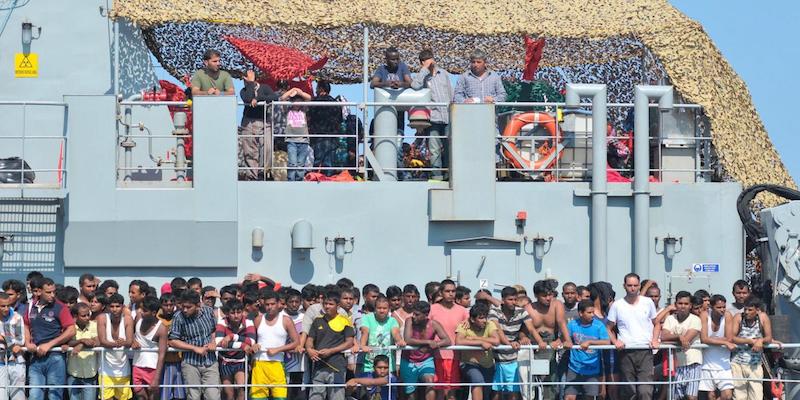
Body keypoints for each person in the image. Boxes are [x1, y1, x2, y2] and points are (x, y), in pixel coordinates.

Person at [606, 273, 658, 400]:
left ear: (640, 286)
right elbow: (608, 327)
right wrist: (615, 341)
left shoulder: (648, 302)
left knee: (645, 390)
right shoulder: (617, 305)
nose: (633, 288)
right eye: (629, 285)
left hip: (645, 350)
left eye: (635, 285)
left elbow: (656, 324)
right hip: (625, 352)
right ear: (624, 286)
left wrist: (655, 339)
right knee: (629, 391)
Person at [480, 287, 537, 400]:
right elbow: (497, 329)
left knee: (513, 391)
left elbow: (531, 328)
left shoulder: (521, 312)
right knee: (495, 391)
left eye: (515, 299)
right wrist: (508, 343)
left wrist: (540, 342)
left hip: (514, 359)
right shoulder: (494, 311)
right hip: (496, 359)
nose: (513, 302)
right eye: (510, 299)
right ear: (503, 299)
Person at [25, 277, 76, 400]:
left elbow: (71, 330)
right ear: (39, 291)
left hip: (55, 356)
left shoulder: (61, 307)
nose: (52, 295)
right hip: (35, 358)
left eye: (54, 292)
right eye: (48, 292)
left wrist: (50, 344)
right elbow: (26, 324)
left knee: (55, 395)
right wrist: (27, 343)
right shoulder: (31, 305)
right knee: (34, 395)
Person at [239, 70, 295, 181]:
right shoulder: (244, 90)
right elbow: (248, 99)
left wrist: (258, 98)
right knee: (250, 150)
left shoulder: (265, 88)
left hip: (264, 121)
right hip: (248, 122)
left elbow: (273, 97)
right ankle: (252, 176)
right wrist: (250, 84)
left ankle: (263, 172)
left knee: (267, 148)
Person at [168, 291, 220, 400]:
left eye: (189, 307)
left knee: (213, 396)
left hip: (210, 361)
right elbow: (173, 340)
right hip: (190, 363)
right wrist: (194, 348)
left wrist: (213, 342)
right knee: (193, 396)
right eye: (183, 306)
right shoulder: (178, 317)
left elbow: (214, 330)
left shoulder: (208, 311)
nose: (185, 310)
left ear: (198, 305)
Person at [524, 280, 572, 400]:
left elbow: (562, 323)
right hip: (534, 346)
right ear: (536, 295)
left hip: (551, 344)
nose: (548, 298)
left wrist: (564, 340)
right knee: (531, 382)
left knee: (550, 380)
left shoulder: (557, 304)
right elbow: (523, 331)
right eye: (544, 295)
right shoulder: (529, 308)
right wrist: (524, 337)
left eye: (550, 294)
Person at [411, 49, 453, 181]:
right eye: (426, 59)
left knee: (449, 147)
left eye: (431, 58)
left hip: (447, 116)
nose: (430, 61)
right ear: (422, 62)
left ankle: (449, 174)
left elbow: (450, 93)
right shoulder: (422, 77)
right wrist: (424, 70)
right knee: (434, 149)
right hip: (433, 117)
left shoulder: (444, 74)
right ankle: (437, 175)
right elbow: (414, 86)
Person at [306, 290, 356, 400]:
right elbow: (309, 340)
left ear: (338, 306)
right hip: (318, 367)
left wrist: (331, 351)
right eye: (325, 304)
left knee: (337, 397)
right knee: (315, 397)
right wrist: (309, 349)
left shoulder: (345, 321)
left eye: (331, 304)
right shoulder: (317, 321)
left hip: (337, 367)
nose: (327, 306)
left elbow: (349, 342)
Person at [250, 291, 299, 400]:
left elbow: (296, 342)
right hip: (259, 364)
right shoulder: (258, 319)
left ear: (278, 304)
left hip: (278, 364)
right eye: (267, 304)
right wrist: (253, 346)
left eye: (272, 304)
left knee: (280, 397)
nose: (270, 307)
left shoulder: (286, 320)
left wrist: (278, 349)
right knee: (258, 398)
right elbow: (251, 340)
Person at [731, 296, 778, 400]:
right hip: (738, 363)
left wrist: (760, 341)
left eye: (750, 310)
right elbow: (732, 338)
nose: (746, 312)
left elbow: (768, 337)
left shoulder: (763, 317)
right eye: (745, 309)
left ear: (757, 310)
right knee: (739, 396)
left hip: (755, 363)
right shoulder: (738, 317)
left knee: (756, 396)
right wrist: (750, 341)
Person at [429, 279, 469, 400]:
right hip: (437, 355)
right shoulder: (432, 308)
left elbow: (470, 326)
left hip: (456, 356)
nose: (451, 294)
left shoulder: (463, 311)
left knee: (452, 392)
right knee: (440, 391)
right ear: (441, 292)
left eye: (453, 291)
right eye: (447, 291)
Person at [402, 301, 450, 400]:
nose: (414, 316)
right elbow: (407, 339)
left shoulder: (433, 324)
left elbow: (447, 340)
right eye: (413, 313)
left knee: (430, 381)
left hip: (426, 360)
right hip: (408, 360)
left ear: (426, 315)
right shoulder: (409, 321)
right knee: (411, 394)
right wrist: (428, 342)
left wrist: (436, 344)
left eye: (417, 314)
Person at [658, 291, 702, 400]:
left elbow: (687, 339)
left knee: (691, 397)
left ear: (690, 305)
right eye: (680, 303)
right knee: (675, 397)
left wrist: (673, 337)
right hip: (675, 363)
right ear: (675, 304)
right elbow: (663, 337)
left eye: (686, 304)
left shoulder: (695, 320)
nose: (683, 306)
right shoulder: (670, 319)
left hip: (693, 362)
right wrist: (678, 337)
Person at [564, 299, 610, 400]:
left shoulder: (599, 325)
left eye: (593, 312)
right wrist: (565, 342)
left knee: (589, 397)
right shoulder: (572, 324)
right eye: (589, 312)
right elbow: (564, 339)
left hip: (592, 369)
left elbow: (607, 342)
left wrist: (590, 342)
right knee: (569, 397)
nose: (592, 315)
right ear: (580, 313)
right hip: (574, 368)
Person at [455, 302, 500, 400]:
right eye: (481, 318)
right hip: (469, 364)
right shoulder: (464, 325)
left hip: (488, 365)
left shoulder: (490, 324)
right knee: (477, 380)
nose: (484, 320)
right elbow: (458, 341)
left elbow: (496, 340)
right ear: (472, 319)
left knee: (486, 394)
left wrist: (473, 340)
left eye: (485, 317)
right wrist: (480, 343)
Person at [96, 293, 134, 400]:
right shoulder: (102, 318)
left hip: (123, 369)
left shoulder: (128, 319)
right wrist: (119, 343)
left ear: (123, 307)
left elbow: (129, 341)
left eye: (117, 306)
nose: (114, 309)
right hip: (105, 370)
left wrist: (123, 343)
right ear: (108, 307)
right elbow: (103, 341)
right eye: (112, 306)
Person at [698, 295, 735, 400]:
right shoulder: (704, 315)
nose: (722, 310)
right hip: (707, 364)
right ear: (711, 307)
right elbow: (704, 339)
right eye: (719, 307)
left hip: (724, 365)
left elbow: (729, 338)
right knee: (711, 396)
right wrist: (724, 342)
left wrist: (713, 339)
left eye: (724, 307)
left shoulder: (727, 316)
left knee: (727, 395)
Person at [131, 297, 167, 400]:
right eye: (141, 309)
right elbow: (130, 333)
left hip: (153, 368)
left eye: (144, 310)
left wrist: (156, 378)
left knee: (153, 397)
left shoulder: (162, 328)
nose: (141, 312)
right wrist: (133, 340)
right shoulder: (138, 317)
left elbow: (162, 354)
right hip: (137, 365)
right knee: (140, 396)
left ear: (153, 312)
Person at [359, 295, 405, 375]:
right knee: (369, 386)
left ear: (389, 309)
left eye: (384, 308)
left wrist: (399, 341)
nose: (382, 311)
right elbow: (365, 332)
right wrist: (362, 345)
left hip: (388, 365)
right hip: (370, 365)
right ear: (375, 309)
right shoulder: (367, 318)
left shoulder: (392, 320)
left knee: (389, 387)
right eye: (379, 308)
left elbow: (395, 333)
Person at [308, 80, 344, 174]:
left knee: (316, 162)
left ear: (321, 89)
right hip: (332, 136)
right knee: (329, 163)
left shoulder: (314, 102)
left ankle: (315, 180)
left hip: (317, 136)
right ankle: (327, 180)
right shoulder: (336, 104)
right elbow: (340, 120)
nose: (315, 91)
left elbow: (309, 117)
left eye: (316, 88)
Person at [65, 302, 98, 400]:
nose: (87, 317)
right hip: (73, 373)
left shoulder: (93, 325)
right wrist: (82, 341)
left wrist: (81, 345)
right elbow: (67, 343)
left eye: (88, 314)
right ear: (75, 316)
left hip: (90, 374)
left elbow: (97, 341)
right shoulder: (70, 327)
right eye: (84, 315)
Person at [0, 292, 26, 400]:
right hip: (0, 363)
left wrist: (3, 338)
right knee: (1, 396)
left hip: (16, 361)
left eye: (8, 305)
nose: (6, 308)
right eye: (3, 306)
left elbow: (20, 340)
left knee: (18, 396)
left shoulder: (17, 317)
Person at [284, 88, 313, 181]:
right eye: (295, 100)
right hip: (291, 140)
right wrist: (292, 90)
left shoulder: (304, 109)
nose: (297, 102)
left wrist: (299, 91)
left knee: (301, 163)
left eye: (299, 100)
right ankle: (291, 181)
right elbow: (282, 98)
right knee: (292, 162)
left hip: (303, 140)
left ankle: (299, 181)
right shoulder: (288, 109)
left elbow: (309, 98)